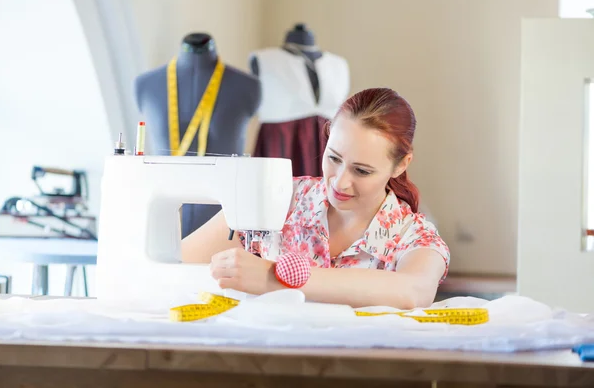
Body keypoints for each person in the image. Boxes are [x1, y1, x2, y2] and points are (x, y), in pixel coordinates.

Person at [182, 88, 450, 310]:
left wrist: (272, 279)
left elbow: (414, 291)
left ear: (402, 164)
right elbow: (178, 261)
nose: (340, 182)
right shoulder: (279, 199)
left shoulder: (413, 235)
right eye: (333, 158)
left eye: (362, 170)